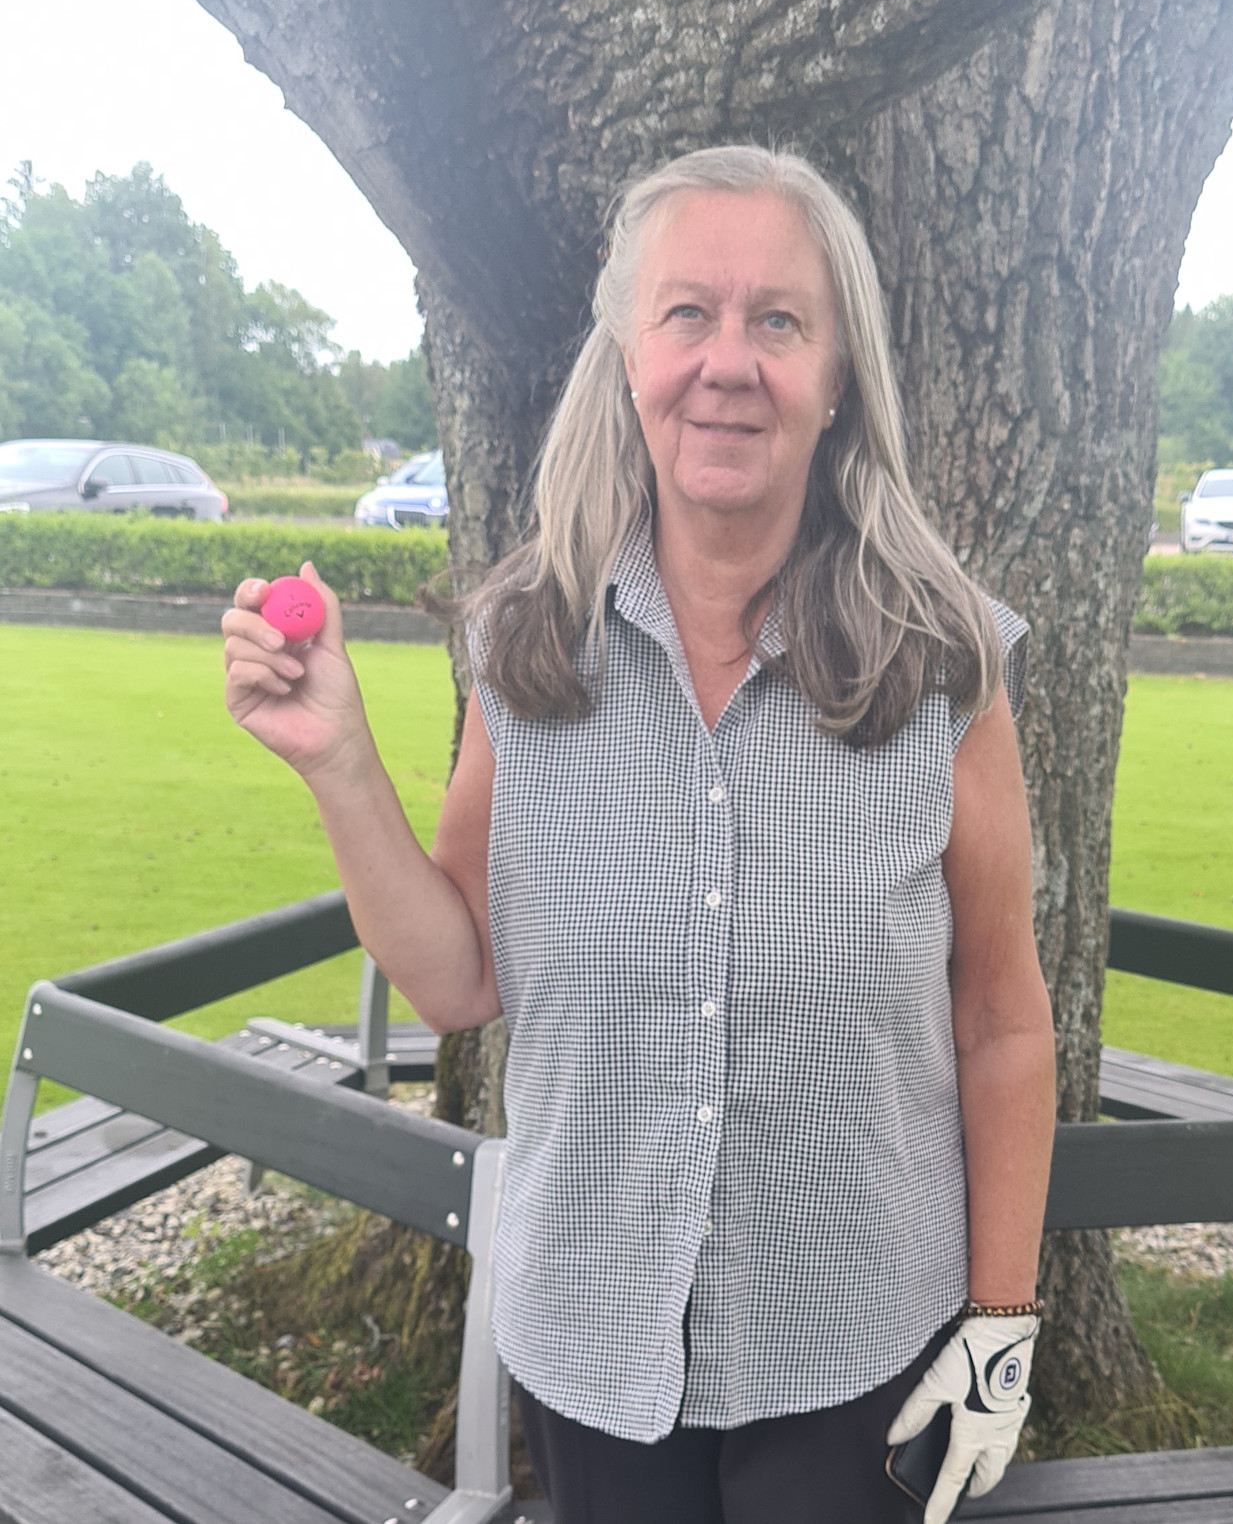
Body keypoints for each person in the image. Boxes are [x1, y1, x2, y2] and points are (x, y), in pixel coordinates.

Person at [222, 144, 1055, 1524]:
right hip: (593, 1339)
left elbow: (1002, 1015)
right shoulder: (524, 644)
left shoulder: (945, 664)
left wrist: (1004, 1325)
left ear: (838, 376)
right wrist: (342, 767)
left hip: (857, 1342)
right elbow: (459, 979)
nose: (728, 361)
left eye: (778, 320)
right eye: (688, 314)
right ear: (626, 354)